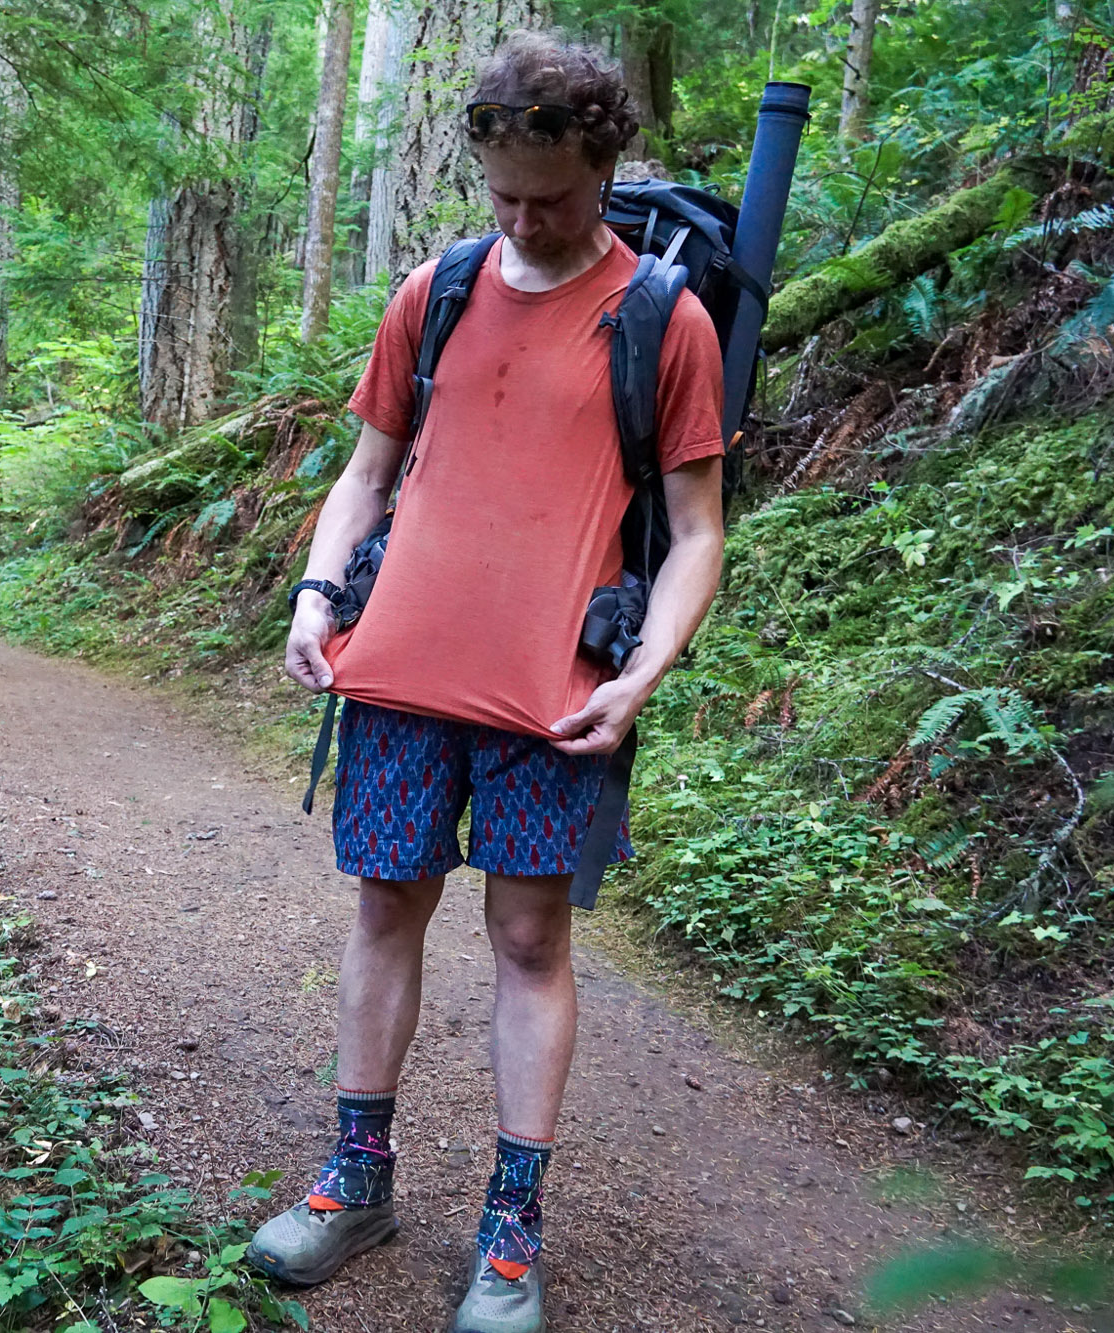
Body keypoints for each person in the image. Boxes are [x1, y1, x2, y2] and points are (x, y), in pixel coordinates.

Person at [247, 30, 728, 1333]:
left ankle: (511, 1230)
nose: (526, 221)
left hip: (554, 694)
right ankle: (359, 1180)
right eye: (506, 195)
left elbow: (696, 533)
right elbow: (364, 473)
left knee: (528, 937)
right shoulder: (438, 291)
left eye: (554, 199)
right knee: (384, 905)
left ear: (605, 166)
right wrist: (312, 594)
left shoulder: (660, 319)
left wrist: (642, 674)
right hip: (400, 678)